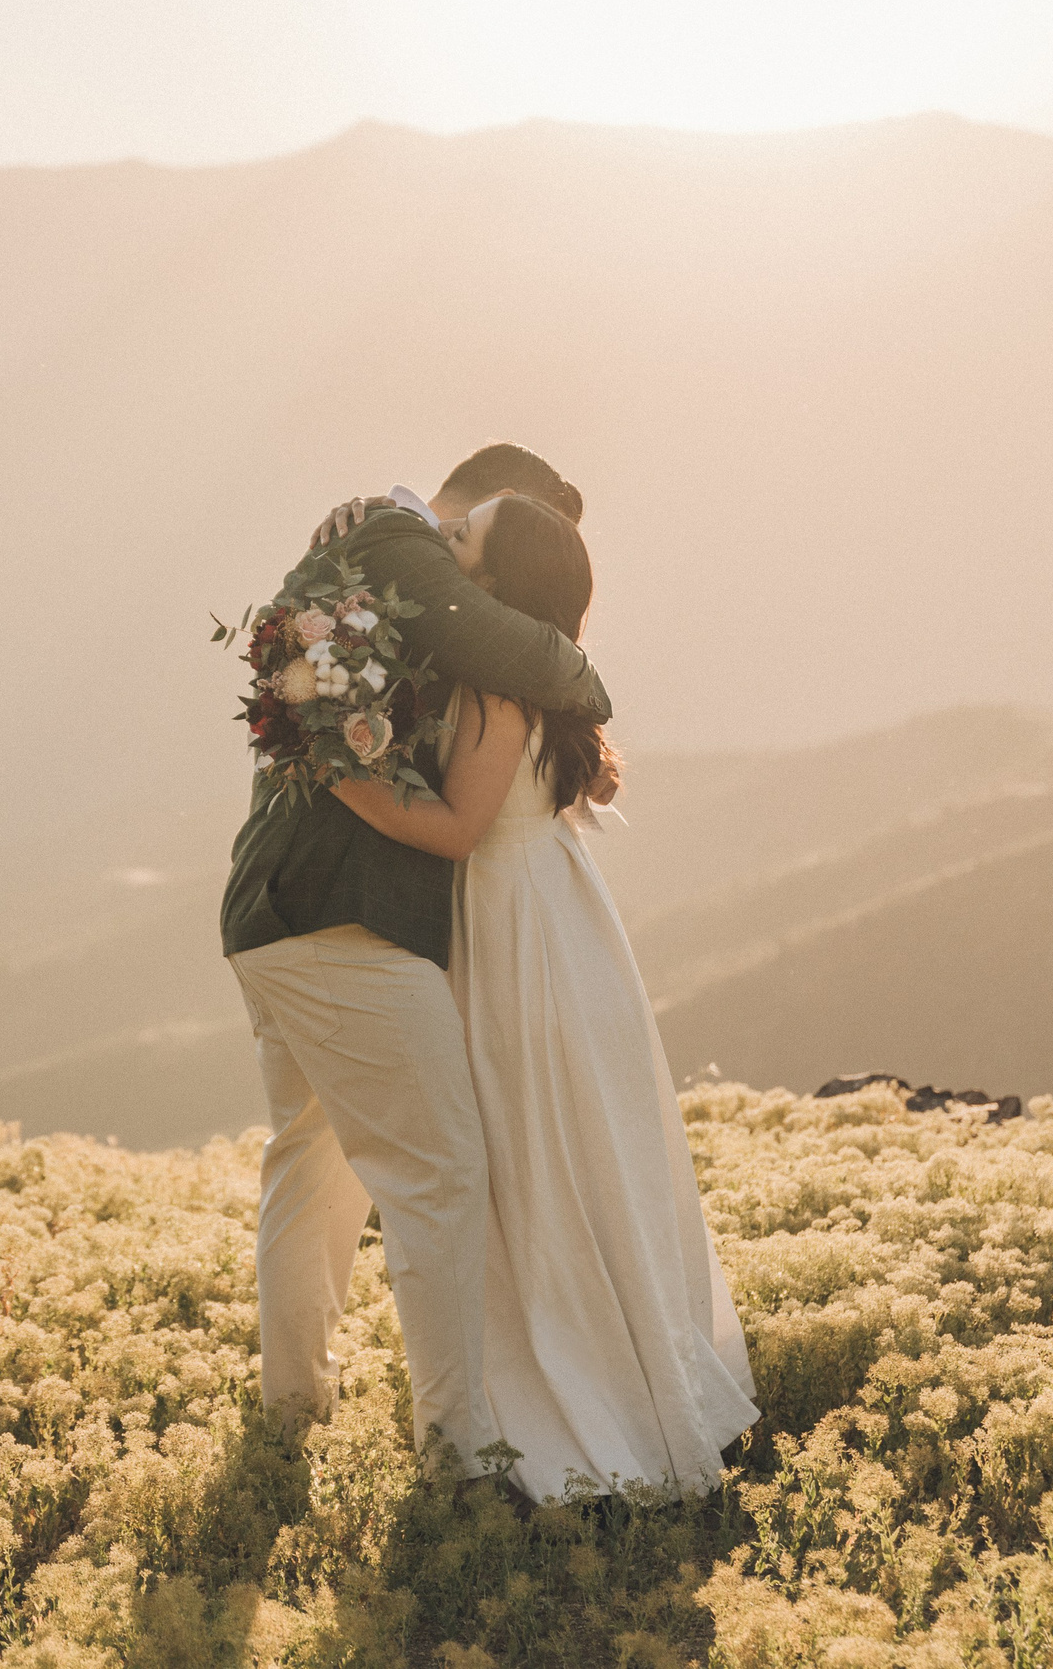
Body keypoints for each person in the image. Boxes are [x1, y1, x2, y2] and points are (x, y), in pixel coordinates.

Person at [326, 493, 760, 1501]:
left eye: (460, 538)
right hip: (567, 922)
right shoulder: (541, 683)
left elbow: (454, 832)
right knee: (587, 1157)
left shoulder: (493, 694)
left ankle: (571, 1402)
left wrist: (339, 772)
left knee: (531, 1160)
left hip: (512, 928)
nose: (444, 542)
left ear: (485, 583)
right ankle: (635, 1377)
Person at [221, 443, 607, 1473]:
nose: (463, 554)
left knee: (315, 1163)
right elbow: (521, 649)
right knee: (440, 1173)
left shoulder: (372, 555)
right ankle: (458, 1447)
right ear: (491, 501)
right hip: (339, 918)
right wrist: (583, 677)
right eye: (492, 531)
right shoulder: (397, 539)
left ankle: (292, 1408)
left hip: (279, 910)